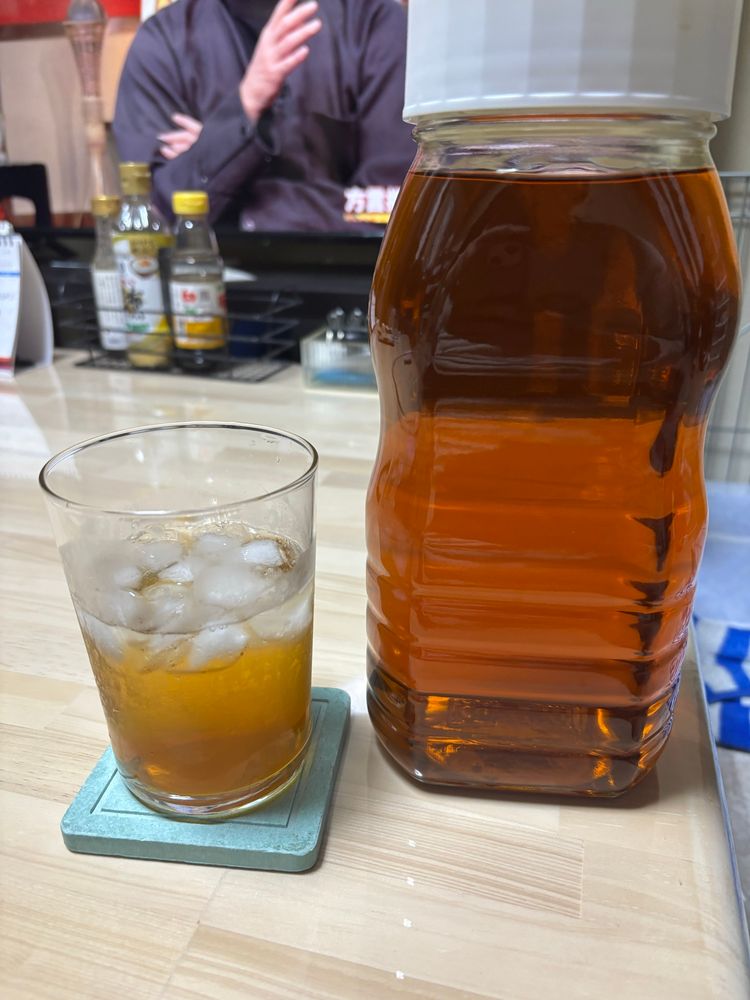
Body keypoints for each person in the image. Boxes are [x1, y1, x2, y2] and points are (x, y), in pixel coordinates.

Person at [113, 0, 415, 231]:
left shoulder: (372, 21)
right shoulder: (163, 42)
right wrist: (246, 104)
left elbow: (393, 208)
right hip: (199, 281)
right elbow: (154, 214)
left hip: (351, 282)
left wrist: (216, 155)